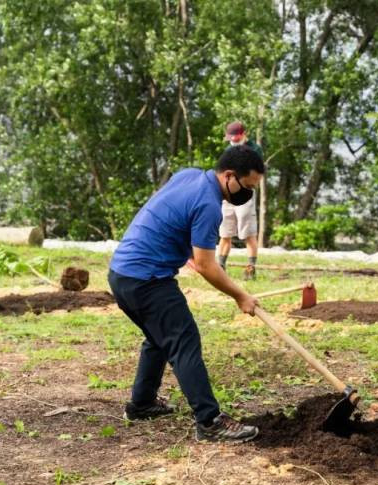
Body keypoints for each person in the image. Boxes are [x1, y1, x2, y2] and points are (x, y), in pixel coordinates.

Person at [108, 145, 265, 442]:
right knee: (184, 339)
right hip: (146, 280)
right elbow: (207, 266)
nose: (248, 194)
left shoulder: (189, 176)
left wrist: (184, 250)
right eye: (248, 186)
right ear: (230, 176)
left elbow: (170, 214)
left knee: (159, 337)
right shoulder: (208, 205)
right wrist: (240, 295)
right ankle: (210, 421)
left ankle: (141, 404)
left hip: (121, 273)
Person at [217, 121, 263, 280]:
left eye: (236, 138)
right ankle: (221, 266)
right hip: (228, 195)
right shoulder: (228, 150)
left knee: (248, 233)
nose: (234, 141)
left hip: (245, 195)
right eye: (231, 139)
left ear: (244, 134)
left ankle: (251, 269)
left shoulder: (255, 150)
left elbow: (257, 173)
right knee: (225, 232)